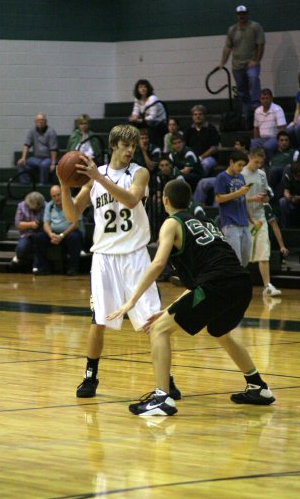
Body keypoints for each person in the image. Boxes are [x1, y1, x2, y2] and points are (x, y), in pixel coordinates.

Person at [106, 178, 275, 417]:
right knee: (220, 332)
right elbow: (200, 283)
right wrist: (168, 310)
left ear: (165, 200)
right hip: (241, 283)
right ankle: (258, 386)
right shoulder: (206, 222)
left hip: (217, 284)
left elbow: (159, 263)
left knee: (159, 331)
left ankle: (162, 398)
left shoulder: (171, 223)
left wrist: (131, 300)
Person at [58, 124, 180, 400]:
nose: (129, 151)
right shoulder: (94, 177)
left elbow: (131, 200)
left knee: (152, 321)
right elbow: (72, 215)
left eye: (133, 146)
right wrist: (64, 185)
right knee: (98, 320)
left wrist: (98, 179)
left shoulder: (139, 173)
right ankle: (90, 376)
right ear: (113, 145)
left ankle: (167, 380)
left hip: (135, 256)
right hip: (103, 257)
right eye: (125, 145)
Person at [243, 147, 288, 296]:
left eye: (260, 163)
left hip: (260, 217)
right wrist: (252, 199)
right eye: (256, 162)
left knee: (264, 251)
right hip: (245, 218)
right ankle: (237, 284)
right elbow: (237, 198)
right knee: (244, 254)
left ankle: (267, 286)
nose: (258, 165)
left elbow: (267, 193)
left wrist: (266, 198)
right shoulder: (241, 175)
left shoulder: (262, 174)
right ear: (250, 157)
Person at [219, 5, 265, 118]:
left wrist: (257, 60)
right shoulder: (232, 30)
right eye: (239, 14)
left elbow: (261, 44)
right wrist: (222, 62)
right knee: (242, 90)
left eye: (243, 13)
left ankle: (256, 104)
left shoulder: (255, 27)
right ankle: (246, 112)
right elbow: (227, 47)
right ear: (236, 15)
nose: (242, 16)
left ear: (247, 14)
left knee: (254, 79)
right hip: (237, 65)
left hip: (251, 63)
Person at [33, 184, 84, 275]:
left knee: (75, 237)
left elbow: (75, 224)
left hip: (68, 233)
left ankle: (73, 268)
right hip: (54, 234)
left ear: (63, 193)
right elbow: (46, 223)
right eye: (54, 196)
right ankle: (43, 268)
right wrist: (50, 234)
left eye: (58, 195)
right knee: (39, 237)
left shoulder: (73, 202)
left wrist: (62, 235)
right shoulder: (49, 205)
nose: (56, 198)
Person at [214, 150, 251, 266]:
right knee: (236, 259)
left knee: (245, 258)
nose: (241, 168)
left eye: (243, 166)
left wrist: (249, 217)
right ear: (231, 162)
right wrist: (238, 193)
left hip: (244, 222)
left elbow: (243, 199)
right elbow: (218, 199)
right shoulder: (222, 177)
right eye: (239, 165)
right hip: (230, 223)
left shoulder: (241, 177)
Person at [16, 113, 58, 185]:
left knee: (44, 165)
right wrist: (23, 158)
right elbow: (26, 145)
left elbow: (53, 149)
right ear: (35, 122)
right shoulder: (32, 131)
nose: (40, 122)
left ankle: (43, 184)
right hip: (36, 158)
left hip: (48, 158)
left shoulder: (51, 132)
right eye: (38, 120)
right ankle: (25, 184)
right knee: (22, 164)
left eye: (42, 120)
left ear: (46, 121)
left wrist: (53, 163)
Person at [11, 190, 46, 271]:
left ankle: (36, 266)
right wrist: (30, 224)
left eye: (36, 209)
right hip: (26, 234)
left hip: (42, 234)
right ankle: (18, 257)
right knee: (21, 248)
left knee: (39, 242)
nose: (34, 210)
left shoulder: (46, 205)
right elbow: (18, 224)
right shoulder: (21, 206)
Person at [183, 105, 221, 176]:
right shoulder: (188, 129)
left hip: (209, 158)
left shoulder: (211, 128)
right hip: (193, 157)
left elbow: (214, 148)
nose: (198, 116)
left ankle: (199, 181)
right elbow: (185, 145)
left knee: (204, 164)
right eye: (195, 114)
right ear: (192, 117)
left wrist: (201, 157)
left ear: (204, 116)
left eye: (200, 114)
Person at [128, 79, 167, 147]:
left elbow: (152, 117)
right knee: (129, 123)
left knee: (150, 128)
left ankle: (152, 147)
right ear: (137, 89)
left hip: (158, 122)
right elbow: (135, 111)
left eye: (145, 87)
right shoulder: (137, 99)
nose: (143, 89)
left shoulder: (153, 99)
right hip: (145, 121)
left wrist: (138, 120)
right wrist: (133, 117)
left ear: (148, 88)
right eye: (140, 87)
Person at [251, 89, 287, 161]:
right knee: (253, 143)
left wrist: (280, 141)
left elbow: (282, 128)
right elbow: (256, 128)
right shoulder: (257, 111)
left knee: (267, 146)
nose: (265, 100)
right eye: (263, 98)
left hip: (274, 138)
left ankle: (269, 164)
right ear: (260, 100)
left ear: (271, 99)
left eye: (267, 98)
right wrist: (256, 139)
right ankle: (256, 166)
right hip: (261, 139)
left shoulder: (277, 109)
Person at [268, 131, 299, 200]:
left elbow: (296, 166)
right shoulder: (273, 153)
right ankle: (269, 194)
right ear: (278, 142)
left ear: (289, 142)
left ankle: (277, 197)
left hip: (287, 173)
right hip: (272, 173)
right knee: (271, 170)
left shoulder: (294, 152)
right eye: (281, 140)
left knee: (284, 169)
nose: (284, 142)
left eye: (286, 140)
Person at [279, 161, 300, 228]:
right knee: (282, 201)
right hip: (293, 200)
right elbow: (286, 191)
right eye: (295, 176)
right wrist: (290, 198)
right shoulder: (289, 175)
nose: (297, 178)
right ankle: (285, 228)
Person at [286, 72, 300, 148]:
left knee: (298, 128)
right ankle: (292, 149)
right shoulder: (299, 93)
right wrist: (295, 120)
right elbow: (297, 109)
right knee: (288, 129)